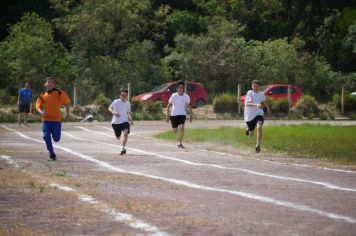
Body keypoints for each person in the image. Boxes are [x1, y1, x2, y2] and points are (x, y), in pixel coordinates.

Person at [36, 77, 71, 161]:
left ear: (54, 85)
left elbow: (67, 103)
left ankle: (52, 138)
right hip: (46, 121)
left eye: (52, 82)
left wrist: (67, 113)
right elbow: (37, 106)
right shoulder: (42, 95)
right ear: (45, 84)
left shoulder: (58, 93)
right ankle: (52, 154)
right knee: (46, 136)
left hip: (56, 121)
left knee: (56, 139)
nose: (50, 83)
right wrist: (40, 112)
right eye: (49, 82)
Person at [244, 80, 271, 153]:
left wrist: (268, 108)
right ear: (252, 86)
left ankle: (258, 145)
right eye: (254, 86)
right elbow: (247, 103)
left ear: (259, 87)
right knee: (251, 134)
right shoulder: (249, 93)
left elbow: (264, 101)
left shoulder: (261, 94)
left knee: (259, 126)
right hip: (249, 116)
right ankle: (248, 129)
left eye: (257, 86)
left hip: (258, 114)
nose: (255, 88)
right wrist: (256, 104)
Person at [166, 80, 193, 149]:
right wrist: (167, 115)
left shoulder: (186, 96)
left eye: (182, 87)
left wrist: (191, 115)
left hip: (182, 114)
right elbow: (168, 105)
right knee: (175, 131)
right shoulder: (174, 96)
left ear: (184, 88)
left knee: (181, 127)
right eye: (179, 87)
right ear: (177, 88)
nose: (181, 88)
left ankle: (180, 143)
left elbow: (189, 106)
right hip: (174, 114)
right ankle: (176, 129)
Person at [108, 89, 133, 155]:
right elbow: (109, 108)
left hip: (124, 121)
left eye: (125, 95)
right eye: (122, 95)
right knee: (118, 137)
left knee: (125, 134)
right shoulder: (116, 101)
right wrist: (114, 112)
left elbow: (128, 112)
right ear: (120, 95)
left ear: (127, 96)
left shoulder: (128, 103)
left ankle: (123, 148)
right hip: (115, 123)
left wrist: (130, 120)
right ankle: (118, 136)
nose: (123, 97)